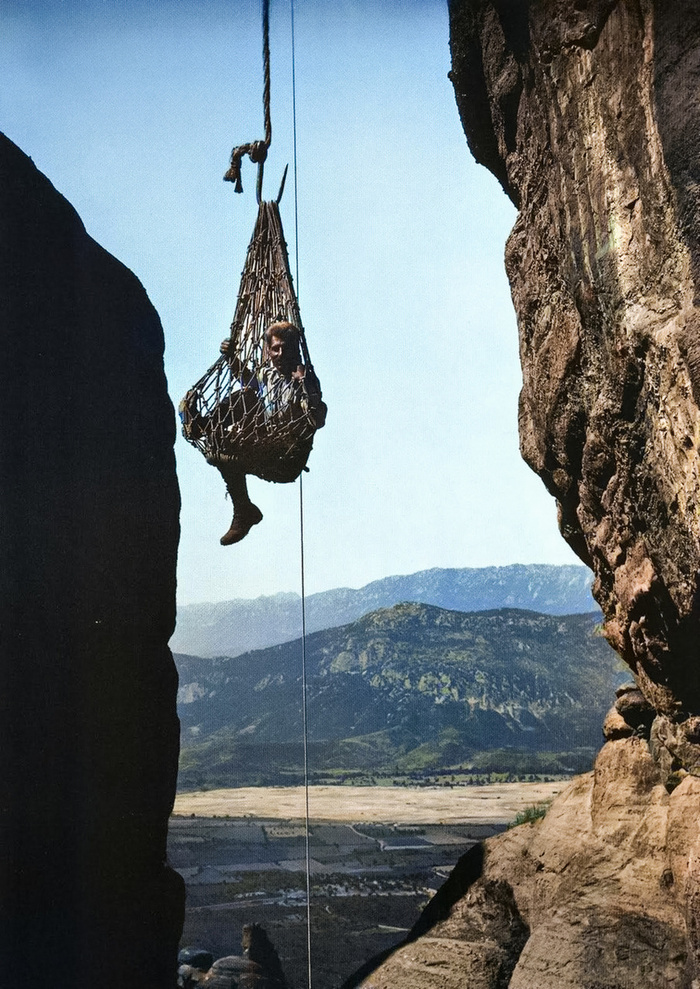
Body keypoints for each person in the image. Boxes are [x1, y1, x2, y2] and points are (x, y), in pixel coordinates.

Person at [216, 319, 326, 545]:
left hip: (288, 456)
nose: (281, 354)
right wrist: (231, 358)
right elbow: (247, 379)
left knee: (228, 452)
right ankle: (243, 509)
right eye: (275, 348)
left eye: (286, 348)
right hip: (266, 441)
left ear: (295, 350)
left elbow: (318, 420)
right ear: (268, 350)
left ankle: (244, 513)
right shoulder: (267, 374)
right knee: (241, 404)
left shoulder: (306, 380)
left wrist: (304, 385)